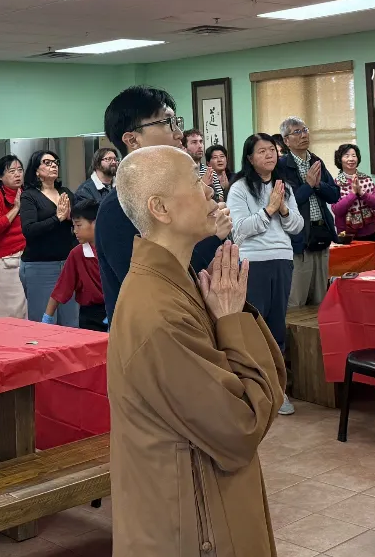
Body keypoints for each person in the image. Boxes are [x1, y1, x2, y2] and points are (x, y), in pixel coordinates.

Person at [108, 145, 285, 555]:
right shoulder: (158, 314)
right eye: (196, 181)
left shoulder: (179, 279)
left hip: (197, 494)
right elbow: (240, 424)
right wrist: (231, 321)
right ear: (161, 209)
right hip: (189, 519)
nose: (212, 189)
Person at [96, 86, 231, 323]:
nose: (179, 134)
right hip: (153, 333)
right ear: (132, 139)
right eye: (168, 123)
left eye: (177, 122)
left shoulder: (175, 193)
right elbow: (154, 282)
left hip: (192, 321)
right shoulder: (117, 207)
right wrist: (212, 236)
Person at [228, 133, 303, 416]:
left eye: (272, 150)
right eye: (262, 151)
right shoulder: (239, 189)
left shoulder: (285, 187)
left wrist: (282, 207)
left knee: (277, 326)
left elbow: (297, 226)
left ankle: (278, 390)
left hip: (282, 259)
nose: (269, 155)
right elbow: (240, 229)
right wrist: (269, 208)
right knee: (255, 328)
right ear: (250, 158)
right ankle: (255, 390)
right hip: (254, 262)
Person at [276, 116, 341, 307]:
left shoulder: (315, 161)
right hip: (299, 239)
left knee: (321, 299)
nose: (303, 135)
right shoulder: (282, 166)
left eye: (305, 130)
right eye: (297, 132)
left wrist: (318, 185)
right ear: (286, 141)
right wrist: (308, 185)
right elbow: (284, 203)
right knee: (297, 299)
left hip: (321, 233)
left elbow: (335, 194)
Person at [20, 149, 79, 325]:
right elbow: (29, 230)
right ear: (37, 171)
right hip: (40, 266)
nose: (53, 165)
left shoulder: (65, 192)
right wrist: (57, 218)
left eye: (55, 162)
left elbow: (79, 221)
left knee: (71, 321)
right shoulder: (29, 196)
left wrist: (70, 217)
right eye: (47, 162)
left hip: (67, 264)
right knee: (45, 323)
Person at [43, 199, 104, 330]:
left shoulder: (114, 250)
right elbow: (61, 288)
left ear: (95, 223)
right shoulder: (76, 254)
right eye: (73, 226)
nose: (75, 231)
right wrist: (47, 318)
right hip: (89, 317)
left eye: (79, 225)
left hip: (116, 311)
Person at [0, 154, 28, 319]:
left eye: (20, 170)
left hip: (29, 257)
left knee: (28, 312)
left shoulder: (29, 193)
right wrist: (16, 208)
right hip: (6, 260)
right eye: (11, 171)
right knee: (10, 313)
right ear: (0, 176)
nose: (17, 174)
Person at [332, 142, 375, 241]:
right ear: (340, 160)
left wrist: (362, 193)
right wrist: (353, 193)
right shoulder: (335, 183)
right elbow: (337, 210)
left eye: (354, 155)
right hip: (346, 234)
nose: (351, 159)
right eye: (347, 156)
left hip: (370, 231)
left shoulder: (367, 179)